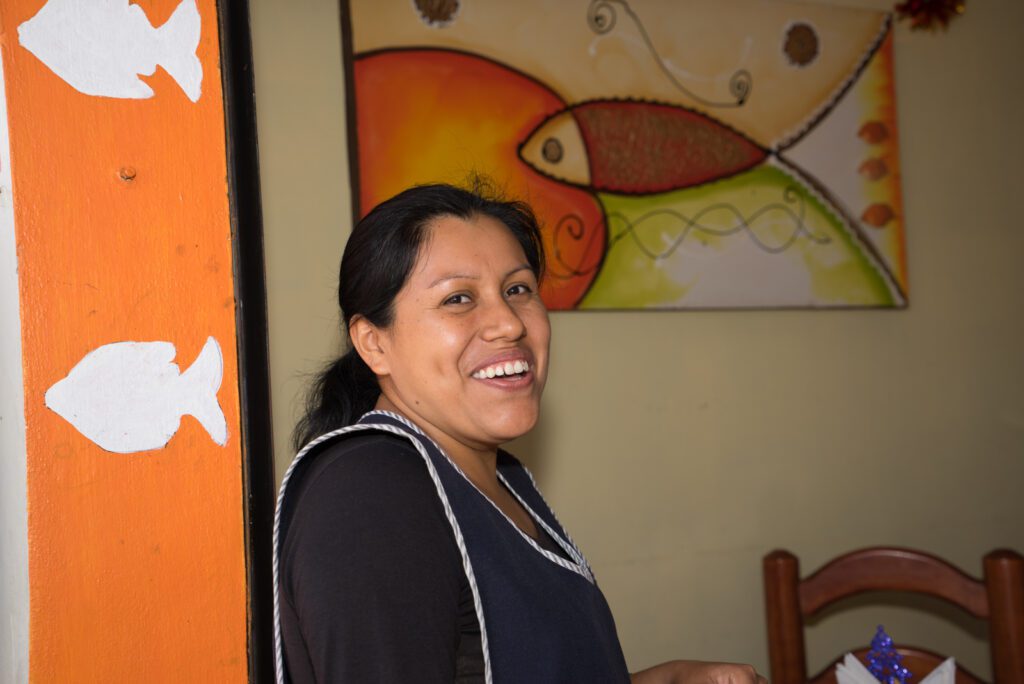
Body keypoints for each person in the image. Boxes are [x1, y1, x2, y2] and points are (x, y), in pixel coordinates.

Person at [273, 182, 767, 684]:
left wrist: (664, 680)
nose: (508, 323)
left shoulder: (496, 477)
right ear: (374, 344)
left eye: (518, 289)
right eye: (458, 298)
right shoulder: (371, 495)